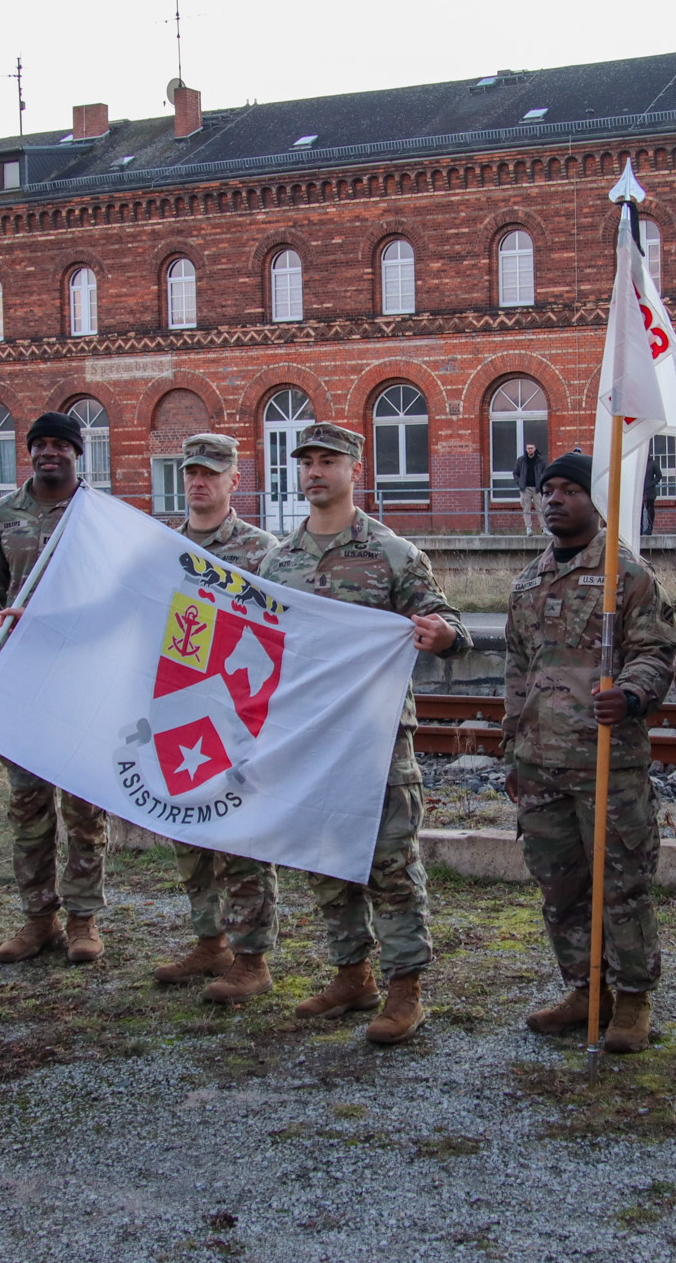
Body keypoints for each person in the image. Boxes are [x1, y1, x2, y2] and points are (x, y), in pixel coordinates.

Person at [256, 423, 470, 1045]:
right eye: (308, 463)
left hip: (375, 739)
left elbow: (450, 620)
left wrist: (446, 636)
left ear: (355, 469)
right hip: (308, 736)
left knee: (391, 862)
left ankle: (406, 991)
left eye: (329, 461)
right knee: (324, 857)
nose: (316, 472)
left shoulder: (392, 553)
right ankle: (352, 974)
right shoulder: (279, 560)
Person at [503, 452, 676, 1053]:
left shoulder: (625, 574)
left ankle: (632, 1000)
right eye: (547, 489)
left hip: (608, 761)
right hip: (541, 762)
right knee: (561, 886)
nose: (554, 498)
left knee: (622, 884)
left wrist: (631, 694)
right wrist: (512, 753)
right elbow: (518, 671)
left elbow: (657, 651)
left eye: (569, 490)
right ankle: (583, 988)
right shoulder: (528, 580)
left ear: (595, 499)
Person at [0, 412, 110, 966]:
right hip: (21, 683)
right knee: (28, 806)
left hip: (80, 681)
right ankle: (39, 918)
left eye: (61, 445)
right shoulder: (1, 516)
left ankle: (82, 920)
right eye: (40, 445)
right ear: (28, 454)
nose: (49, 453)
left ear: (79, 455)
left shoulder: (100, 518)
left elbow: (116, 603)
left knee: (83, 808)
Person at [153, 433, 283, 1005]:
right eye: (191, 473)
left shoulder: (264, 551)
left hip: (238, 714)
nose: (199, 483)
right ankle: (210, 940)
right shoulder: (162, 547)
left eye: (212, 473)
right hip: (178, 708)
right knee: (188, 829)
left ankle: (251, 957)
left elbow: (289, 630)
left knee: (240, 837)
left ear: (235, 481)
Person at [512, 440, 549, 536]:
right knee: (526, 509)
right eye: (528, 448)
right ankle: (528, 528)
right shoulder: (521, 460)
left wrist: (542, 484)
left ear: (535, 449)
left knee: (540, 508)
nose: (530, 450)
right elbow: (515, 473)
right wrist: (519, 483)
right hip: (525, 488)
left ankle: (544, 528)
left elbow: (546, 473)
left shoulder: (540, 460)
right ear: (526, 449)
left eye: (532, 448)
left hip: (537, 488)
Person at [640, 450, 663, 536]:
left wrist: (651, 484)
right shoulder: (640, 464)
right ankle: (640, 529)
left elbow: (659, 476)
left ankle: (650, 528)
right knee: (640, 510)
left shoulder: (653, 463)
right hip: (641, 491)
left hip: (650, 491)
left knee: (650, 510)